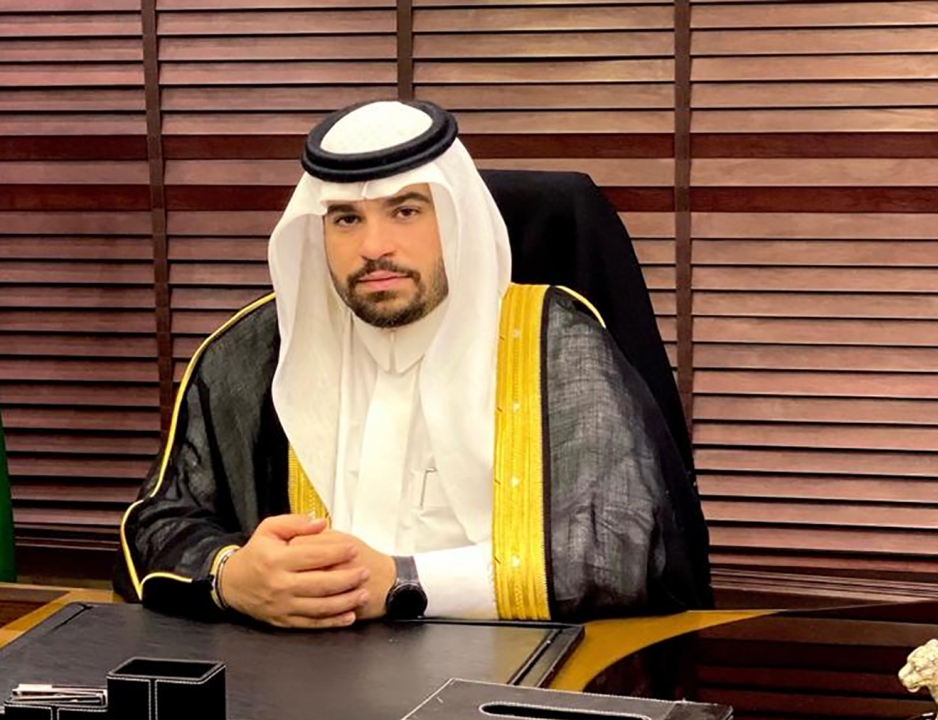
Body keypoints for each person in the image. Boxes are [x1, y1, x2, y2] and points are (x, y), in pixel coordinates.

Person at [115, 100, 711, 628]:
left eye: (405, 211)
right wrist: (231, 576)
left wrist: (403, 582)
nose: (374, 246)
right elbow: (157, 521)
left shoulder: (552, 341)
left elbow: (626, 548)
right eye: (347, 218)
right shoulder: (256, 350)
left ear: (454, 217)